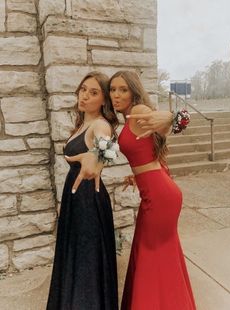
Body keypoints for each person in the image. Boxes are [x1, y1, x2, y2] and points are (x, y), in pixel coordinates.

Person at [109, 70, 196, 310]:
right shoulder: (129, 116)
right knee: (156, 252)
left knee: (152, 254)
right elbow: (148, 155)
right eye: (113, 89)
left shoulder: (138, 111)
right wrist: (136, 175)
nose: (116, 95)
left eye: (123, 89)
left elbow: (175, 123)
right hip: (158, 189)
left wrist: (170, 116)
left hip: (160, 197)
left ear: (133, 91)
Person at [46, 71, 119, 310]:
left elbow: (105, 145)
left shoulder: (100, 124)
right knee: (75, 257)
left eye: (94, 92)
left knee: (87, 262)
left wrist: (96, 157)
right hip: (75, 199)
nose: (85, 95)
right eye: (83, 89)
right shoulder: (82, 124)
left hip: (89, 201)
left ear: (104, 101)